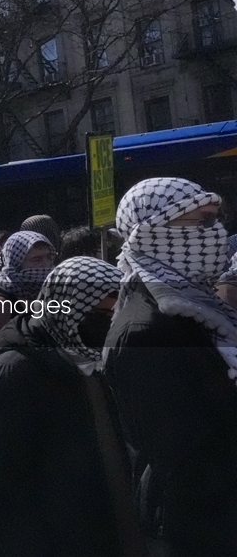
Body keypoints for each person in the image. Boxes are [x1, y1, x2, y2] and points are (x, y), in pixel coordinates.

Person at [103, 178, 237, 557]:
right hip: (202, 526)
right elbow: (180, 455)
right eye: (203, 222)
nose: (217, 233)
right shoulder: (145, 329)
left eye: (216, 221)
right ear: (152, 233)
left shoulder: (195, 304)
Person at [0, 257, 146, 557]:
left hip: (110, 526)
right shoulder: (17, 370)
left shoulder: (101, 358)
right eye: (101, 313)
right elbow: (4, 480)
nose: (111, 321)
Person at [0, 231, 55, 342]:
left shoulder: (49, 293)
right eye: (36, 260)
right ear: (16, 263)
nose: (46, 265)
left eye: (49, 257)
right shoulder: (0, 305)